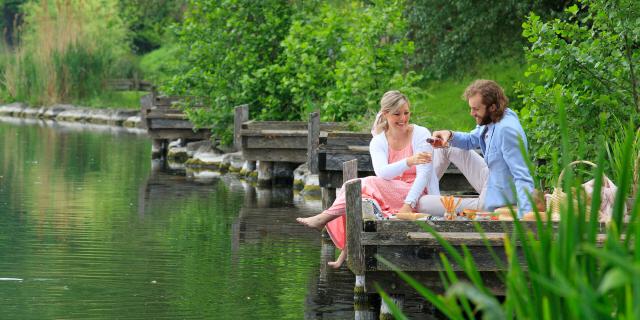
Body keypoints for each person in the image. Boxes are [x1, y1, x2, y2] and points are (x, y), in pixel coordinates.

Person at [296, 90, 440, 268]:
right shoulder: (379, 141)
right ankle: (345, 253)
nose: (403, 118)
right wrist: (409, 161)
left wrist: (408, 204)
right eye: (397, 114)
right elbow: (383, 173)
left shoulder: (420, 133)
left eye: (406, 112)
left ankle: (324, 218)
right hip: (392, 192)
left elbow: (424, 175)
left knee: (361, 184)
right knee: (360, 197)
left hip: (417, 193)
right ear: (385, 114)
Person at [417, 79, 534, 218]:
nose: (471, 113)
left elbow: (523, 177)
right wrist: (450, 135)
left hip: (498, 201)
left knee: (422, 204)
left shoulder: (507, 130)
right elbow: (472, 139)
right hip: (491, 179)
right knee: (446, 147)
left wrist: (525, 218)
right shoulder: (492, 118)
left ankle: (414, 200)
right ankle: (416, 190)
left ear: (492, 107)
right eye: (471, 108)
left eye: (476, 109)